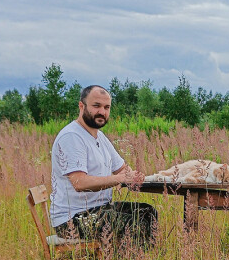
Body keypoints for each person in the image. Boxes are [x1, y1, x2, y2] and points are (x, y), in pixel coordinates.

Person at [50, 84, 157, 248]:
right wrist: (119, 179)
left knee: (147, 213)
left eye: (107, 107)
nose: (102, 112)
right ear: (81, 106)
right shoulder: (72, 136)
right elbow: (79, 183)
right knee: (132, 223)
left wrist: (134, 175)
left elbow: (122, 169)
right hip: (72, 220)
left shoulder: (99, 136)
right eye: (96, 106)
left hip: (98, 210)